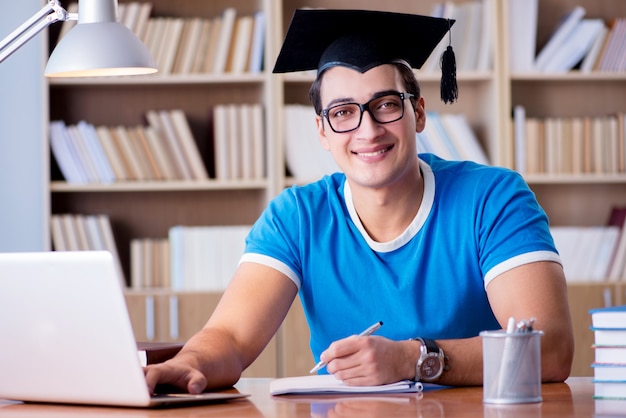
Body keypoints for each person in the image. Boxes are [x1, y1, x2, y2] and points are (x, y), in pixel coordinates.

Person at [145, 9, 574, 393]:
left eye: (386, 104)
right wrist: (188, 363)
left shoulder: (493, 199)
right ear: (322, 131)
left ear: (419, 113)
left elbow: (549, 349)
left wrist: (412, 360)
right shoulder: (297, 217)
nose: (368, 130)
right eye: (344, 112)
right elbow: (231, 338)